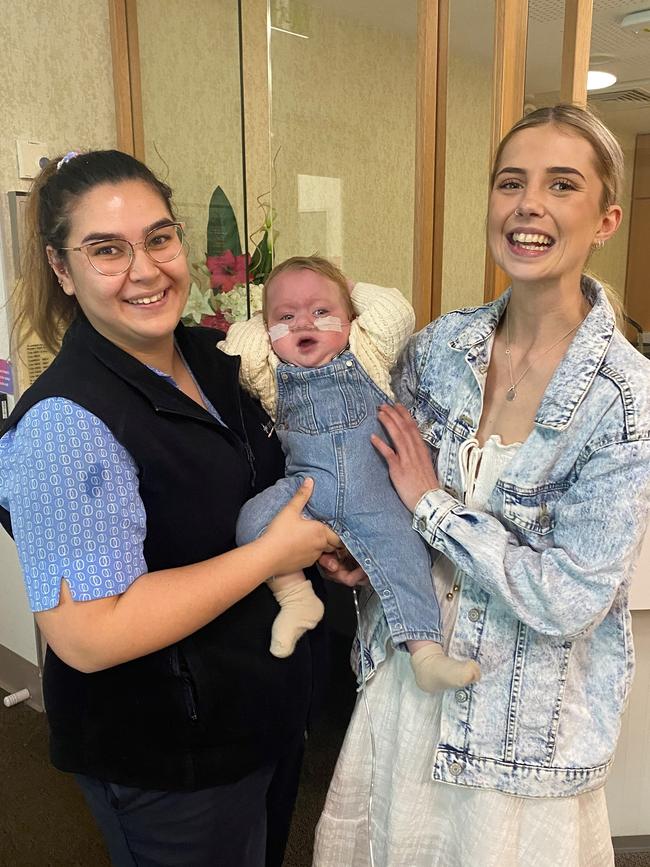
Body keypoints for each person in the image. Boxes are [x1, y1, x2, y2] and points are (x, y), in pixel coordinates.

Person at [314, 104, 650, 867]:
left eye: (561, 185)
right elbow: (383, 493)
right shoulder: (438, 349)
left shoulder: (627, 399)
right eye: (511, 182)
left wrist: (434, 507)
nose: (528, 204)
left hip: (517, 739)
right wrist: (368, 553)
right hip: (404, 694)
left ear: (605, 219)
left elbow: (568, 598)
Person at [0, 150, 341, 867]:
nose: (146, 268)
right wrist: (270, 557)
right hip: (171, 757)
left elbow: (255, 496)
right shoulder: (65, 424)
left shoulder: (219, 359)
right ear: (62, 270)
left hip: (262, 718)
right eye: (106, 250)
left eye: (158, 238)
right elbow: (89, 635)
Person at [219, 257, 480, 692]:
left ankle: (427, 654)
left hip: (377, 494)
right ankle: (296, 598)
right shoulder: (271, 373)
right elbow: (236, 348)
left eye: (322, 312)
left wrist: (342, 282)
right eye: (287, 317)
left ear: (351, 319)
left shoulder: (365, 351)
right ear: (268, 332)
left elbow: (397, 312)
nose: (305, 322)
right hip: (306, 494)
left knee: (406, 557)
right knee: (251, 522)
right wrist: (273, 312)